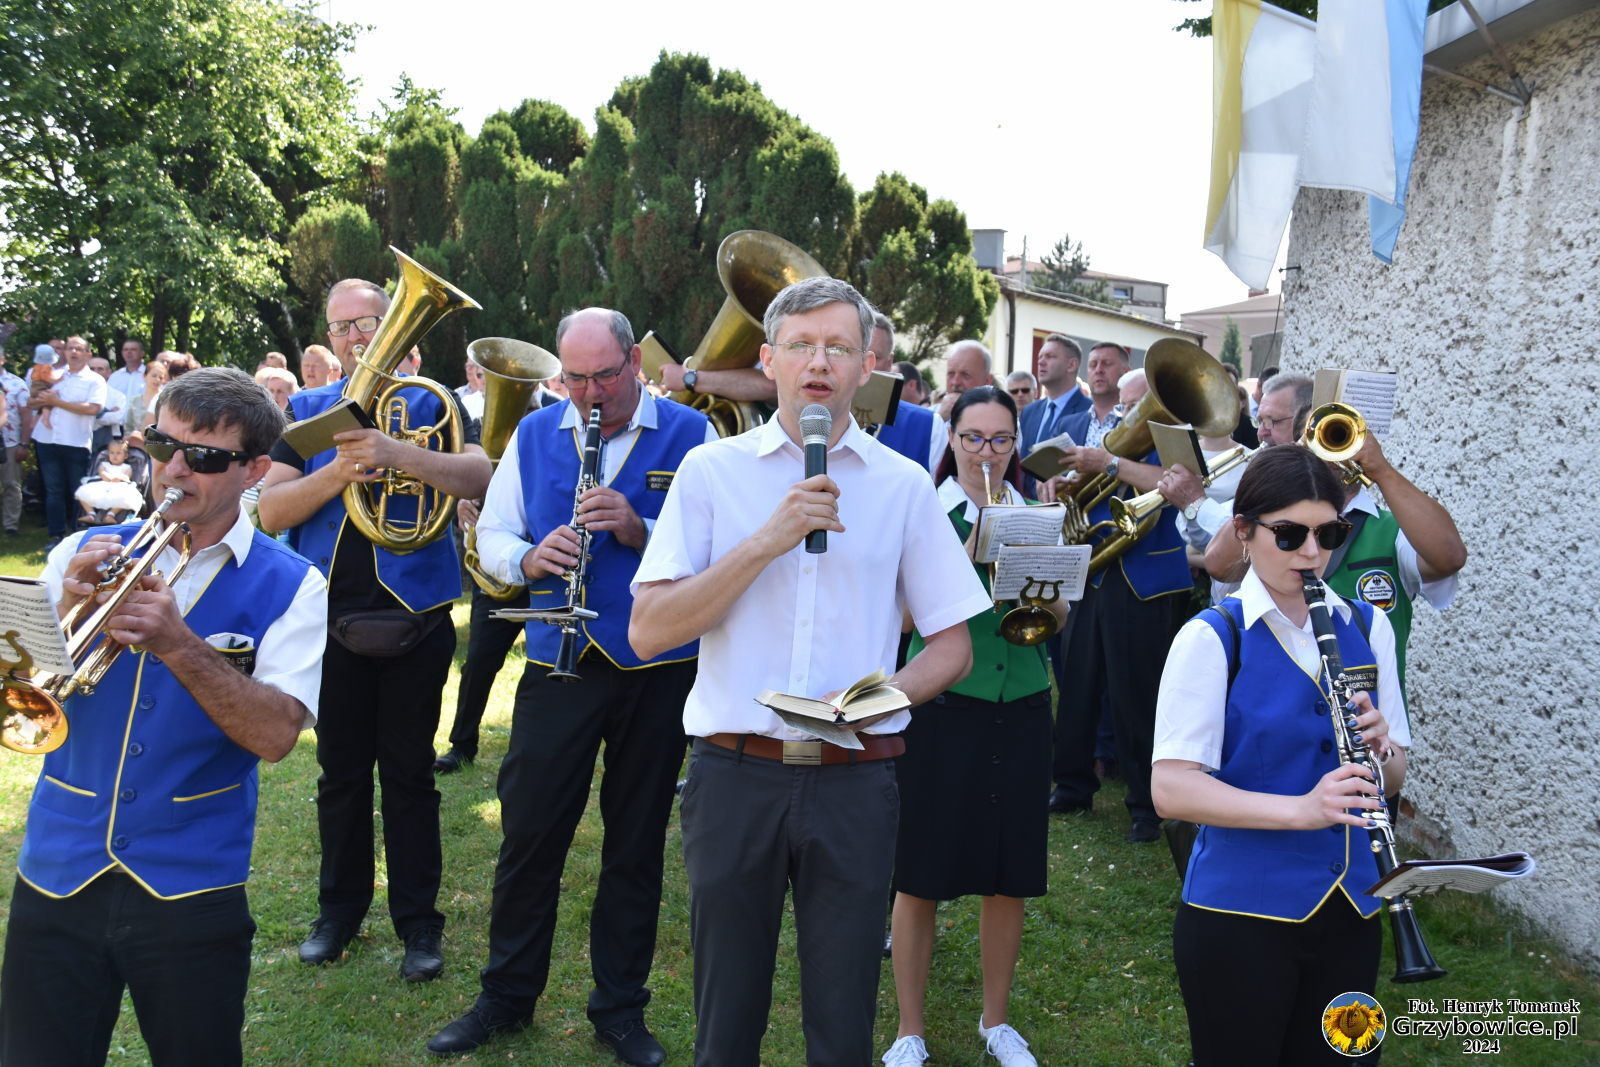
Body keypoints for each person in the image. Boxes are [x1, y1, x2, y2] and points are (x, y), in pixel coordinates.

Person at [630, 276, 989, 1066]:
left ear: (868, 365)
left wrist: (870, 701)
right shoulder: (712, 471)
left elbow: (952, 646)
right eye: (800, 345)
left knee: (842, 1022)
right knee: (726, 1022)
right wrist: (768, 539)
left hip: (855, 778)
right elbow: (650, 630)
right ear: (768, 361)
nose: (819, 362)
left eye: (838, 347)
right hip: (734, 775)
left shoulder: (902, 485)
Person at [0, 367, 326, 1066]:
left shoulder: (296, 584)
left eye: (202, 456)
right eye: (160, 444)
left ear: (254, 470)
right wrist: (65, 611)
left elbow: (276, 735)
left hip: (192, 877)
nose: (173, 470)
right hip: (59, 863)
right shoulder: (77, 553)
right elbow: (16, 686)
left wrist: (181, 645)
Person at [426, 308, 714, 1063]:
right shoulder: (534, 433)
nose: (590, 393)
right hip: (562, 657)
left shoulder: (693, 434)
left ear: (636, 363)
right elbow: (494, 532)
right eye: (575, 378)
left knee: (636, 841)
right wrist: (528, 558)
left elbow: (718, 551)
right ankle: (506, 995)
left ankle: (620, 1008)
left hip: (657, 665)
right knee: (529, 832)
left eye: (605, 376)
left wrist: (639, 527)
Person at [257, 276, 490, 982]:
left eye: (369, 322)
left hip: (417, 616)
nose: (358, 336)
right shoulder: (306, 410)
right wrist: (341, 470)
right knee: (342, 775)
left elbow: (478, 477)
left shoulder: (432, 401)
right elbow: (272, 511)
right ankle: (339, 912)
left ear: (395, 327)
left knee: (411, 775)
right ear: (328, 338)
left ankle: (419, 923)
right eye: (343, 326)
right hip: (330, 618)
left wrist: (397, 453)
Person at [1151, 444, 1409, 1066]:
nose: (1312, 553)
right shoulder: (1213, 636)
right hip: (1239, 914)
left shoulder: (1367, 627)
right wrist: (1301, 810)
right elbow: (1171, 789)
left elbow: (1396, 774)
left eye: (1329, 534)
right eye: (1290, 535)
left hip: (1353, 909)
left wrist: (1382, 749)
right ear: (1243, 530)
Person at [883, 386, 1064, 1067]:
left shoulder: (1036, 513)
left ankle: (997, 1021)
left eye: (1001, 439)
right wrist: (970, 544)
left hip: (1022, 702)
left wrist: (1041, 583)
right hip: (942, 706)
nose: (987, 452)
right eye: (974, 438)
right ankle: (910, 1028)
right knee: (919, 871)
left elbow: (1056, 620)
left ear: (1016, 443)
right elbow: (902, 619)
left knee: (1007, 872)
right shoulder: (925, 510)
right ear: (952, 440)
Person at [1045, 349, 1206, 841]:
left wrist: (1111, 463)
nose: (1131, 416)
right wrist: (1067, 486)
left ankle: (1145, 804)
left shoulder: (1175, 440)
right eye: (1127, 407)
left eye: (1138, 406)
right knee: (1078, 681)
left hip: (1147, 577)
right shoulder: (1109, 438)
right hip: (1097, 570)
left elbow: (1180, 486)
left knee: (1137, 691)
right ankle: (1072, 784)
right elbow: (1092, 490)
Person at [30, 335, 108, 545]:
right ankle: (55, 535)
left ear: (88, 354)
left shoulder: (95, 380)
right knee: (53, 490)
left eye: (78, 349)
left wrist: (57, 402)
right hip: (46, 439)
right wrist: (41, 399)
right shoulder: (53, 375)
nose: (73, 352)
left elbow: (93, 408)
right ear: (64, 352)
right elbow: (31, 403)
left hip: (75, 441)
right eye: (70, 348)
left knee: (77, 490)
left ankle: (76, 535)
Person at [1017, 334, 1090, 456]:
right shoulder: (1029, 411)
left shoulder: (1090, 411)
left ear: (1071, 365)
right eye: (1040, 357)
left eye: (1050, 356)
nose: (1040, 362)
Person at [75, 436, 145, 523]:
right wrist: (106, 475)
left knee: (127, 497)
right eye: (112, 453)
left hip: (119, 488)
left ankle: (110, 515)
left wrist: (119, 477)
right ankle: (91, 514)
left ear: (125, 455)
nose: (114, 456)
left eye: (118, 453)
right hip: (102, 485)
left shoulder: (127, 467)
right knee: (82, 492)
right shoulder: (104, 465)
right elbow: (101, 472)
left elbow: (127, 477)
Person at [1, 349, 33, 536]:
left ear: (2, 359)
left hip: (10, 442)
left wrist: (24, 444)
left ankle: (11, 525)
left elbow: (26, 416)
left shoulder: (16, 384)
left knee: (11, 484)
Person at [124, 359, 168, 449]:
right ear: (145, 376)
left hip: (158, 446)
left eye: (160, 377)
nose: (157, 380)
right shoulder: (135, 400)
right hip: (136, 446)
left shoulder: (165, 400)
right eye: (154, 376)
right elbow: (128, 426)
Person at [106, 338, 147, 402]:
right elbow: (107, 397)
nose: (129, 352)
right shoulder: (115, 376)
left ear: (142, 353)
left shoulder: (149, 374)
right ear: (122, 353)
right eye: (126, 350)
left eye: (133, 349)